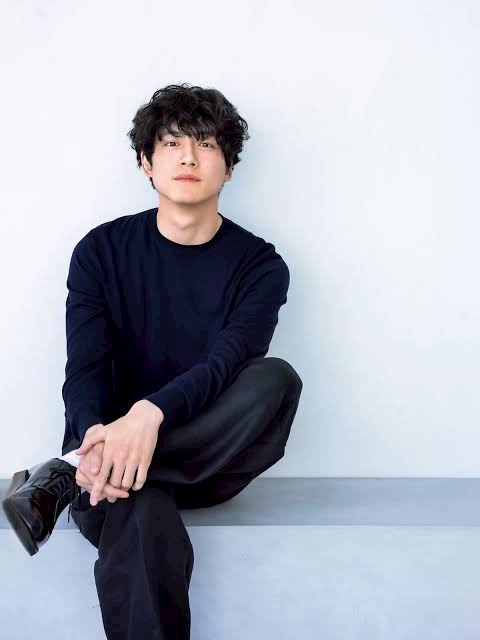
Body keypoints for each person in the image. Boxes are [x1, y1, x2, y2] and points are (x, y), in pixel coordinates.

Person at [2, 83, 303, 640]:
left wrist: (148, 415)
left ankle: (66, 472)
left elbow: (225, 365)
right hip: (112, 479)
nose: (188, 157)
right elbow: (86, 368)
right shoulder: (100, 252)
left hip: (203, 462)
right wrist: (99, 434)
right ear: (146, 161)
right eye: (171, 143)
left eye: (206, 144)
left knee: (276, 381)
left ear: (228, 168)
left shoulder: (260, 266)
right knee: (143, 520)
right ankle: (93, 463)